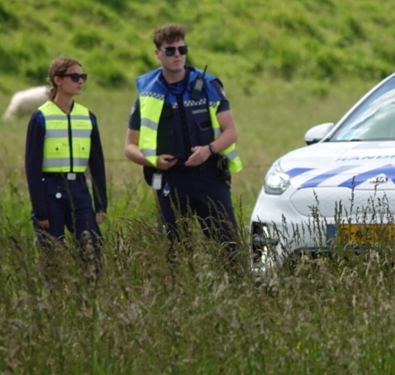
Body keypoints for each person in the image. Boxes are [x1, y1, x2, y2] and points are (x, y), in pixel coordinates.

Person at [123, 23, 242, 254]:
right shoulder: (147, 93)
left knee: (229, 247)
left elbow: (231, 132)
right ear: (157, 53)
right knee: (174, 251)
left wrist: (209, 149)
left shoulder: (208, 85)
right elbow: (130, 147)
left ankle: (237, 286)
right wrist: (153, 161)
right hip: (171, 180)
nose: (177, 55)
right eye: (170, 50)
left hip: (210, 177)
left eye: (181, 49)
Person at [24, 57, 108, 262]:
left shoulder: (88, 117)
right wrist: (40, 210)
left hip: (79, 190)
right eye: (75, 76)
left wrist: (101, 203)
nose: (80, 81)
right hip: (49, 191)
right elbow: (32, 166)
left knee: (92, 250)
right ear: (58, 80)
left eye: (83, 76)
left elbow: (97, 163)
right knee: (53, 256)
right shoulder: (41, 117)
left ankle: (91, 292)